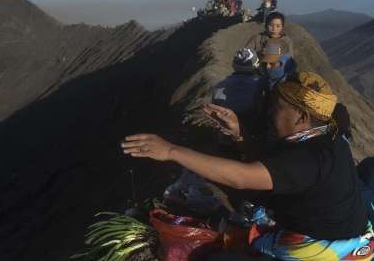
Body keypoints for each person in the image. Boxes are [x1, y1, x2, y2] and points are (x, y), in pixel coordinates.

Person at [122, 71, 372, 260]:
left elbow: (243, 177)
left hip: (322, 246)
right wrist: (240, 134)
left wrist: (171, 151)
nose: (271, 112)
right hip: (334, 228)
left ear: (302, 117)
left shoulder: (311, 157)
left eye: (277, 107)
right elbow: (274, 165)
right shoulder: (323, 133)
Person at [212, 48, 266, 148]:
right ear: (256, 64)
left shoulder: (219, 86)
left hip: (226, 140)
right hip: (253, 141)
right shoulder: (262, 84)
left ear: (234, 65)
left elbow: (216, 109)